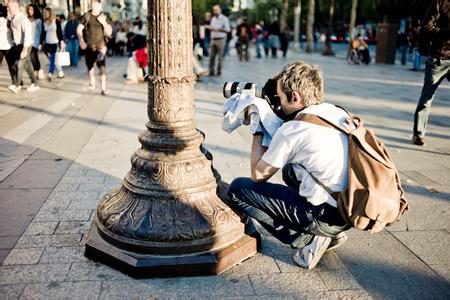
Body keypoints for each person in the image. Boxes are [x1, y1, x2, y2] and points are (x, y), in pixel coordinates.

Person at [227, 61, 349, 270]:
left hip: (325, 215)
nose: (278, 104)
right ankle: (330, 232)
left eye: (280, 98)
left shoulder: (294, 129)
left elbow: (258, 174)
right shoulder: (336, 112)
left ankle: (308, 238)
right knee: (290, 171)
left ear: (295, 97)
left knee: (238, 189)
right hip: (348, 206)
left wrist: (257, 126)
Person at [412, 0, 449, 146]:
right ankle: (418, 134)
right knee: (427, 96)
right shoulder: (440, 2)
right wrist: (445, 33)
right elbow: (426, 27)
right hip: (439, 58)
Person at [77, 0, 112, 95]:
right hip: (89, 46)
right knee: (90, 67)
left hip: (101, 47)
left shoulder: (103, 17)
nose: (94, 5)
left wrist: (103, 23)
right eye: (93, 3)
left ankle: (103, 88)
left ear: (100, 5)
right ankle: (92, 82)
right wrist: (81, 41)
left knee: (102, 67)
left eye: (96, 3)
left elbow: (109, 32)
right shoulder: (86, 15)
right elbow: (79, 29)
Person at [7, 0, 39, 94]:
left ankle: (16, 85)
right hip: (18, 46)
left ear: (16, 6)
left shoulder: (23, 19)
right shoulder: (13, 18)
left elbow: (28, 36)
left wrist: (25, 49)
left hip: (26, 45)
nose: (8, 9)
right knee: (28, 65)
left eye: (9, 7)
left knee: (19, 64)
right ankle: (35, 82)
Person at [41, 6, 65, 81]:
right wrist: (41, 43)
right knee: (53, 59)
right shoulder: (44, 22)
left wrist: (61, 41)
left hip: (55, 43)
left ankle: (50, 74)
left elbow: (60, 32)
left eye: (46, 12)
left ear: (50, 13)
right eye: (43, 12)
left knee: (52, 59)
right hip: (47, 44)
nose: (44, 14)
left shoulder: (56, 21)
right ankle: (61, 72)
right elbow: (43, 34)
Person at [208, 5, 230, 77]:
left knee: (220, 57)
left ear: (220, 10)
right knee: (211, 57)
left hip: (221, 39)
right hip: (213, 39)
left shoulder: (224, 19)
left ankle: (219, 72)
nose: (215, 12)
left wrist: (219, 29)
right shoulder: (213, 18)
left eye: (216, 10)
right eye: (214, 10)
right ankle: (211, 71)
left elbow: (228, 30)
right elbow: (212, 28)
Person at [27, 4, 44, 79]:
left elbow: (41, 32)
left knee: (34, 57)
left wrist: (40, 42)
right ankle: (37, 71)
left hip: (35, 41)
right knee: (32, 57)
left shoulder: (38, 20)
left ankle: (38, 71)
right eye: (29, 9)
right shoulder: (27, 19)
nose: (29, 11)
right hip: (28, 41)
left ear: (35, 10)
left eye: (31, 9)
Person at [0, 3, 16, 85]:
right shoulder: (8, 22)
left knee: (12, 66)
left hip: (8, 47)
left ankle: (16, 82)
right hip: (8, 46)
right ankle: (16, 82)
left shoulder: (8, 22)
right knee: (12, 66)